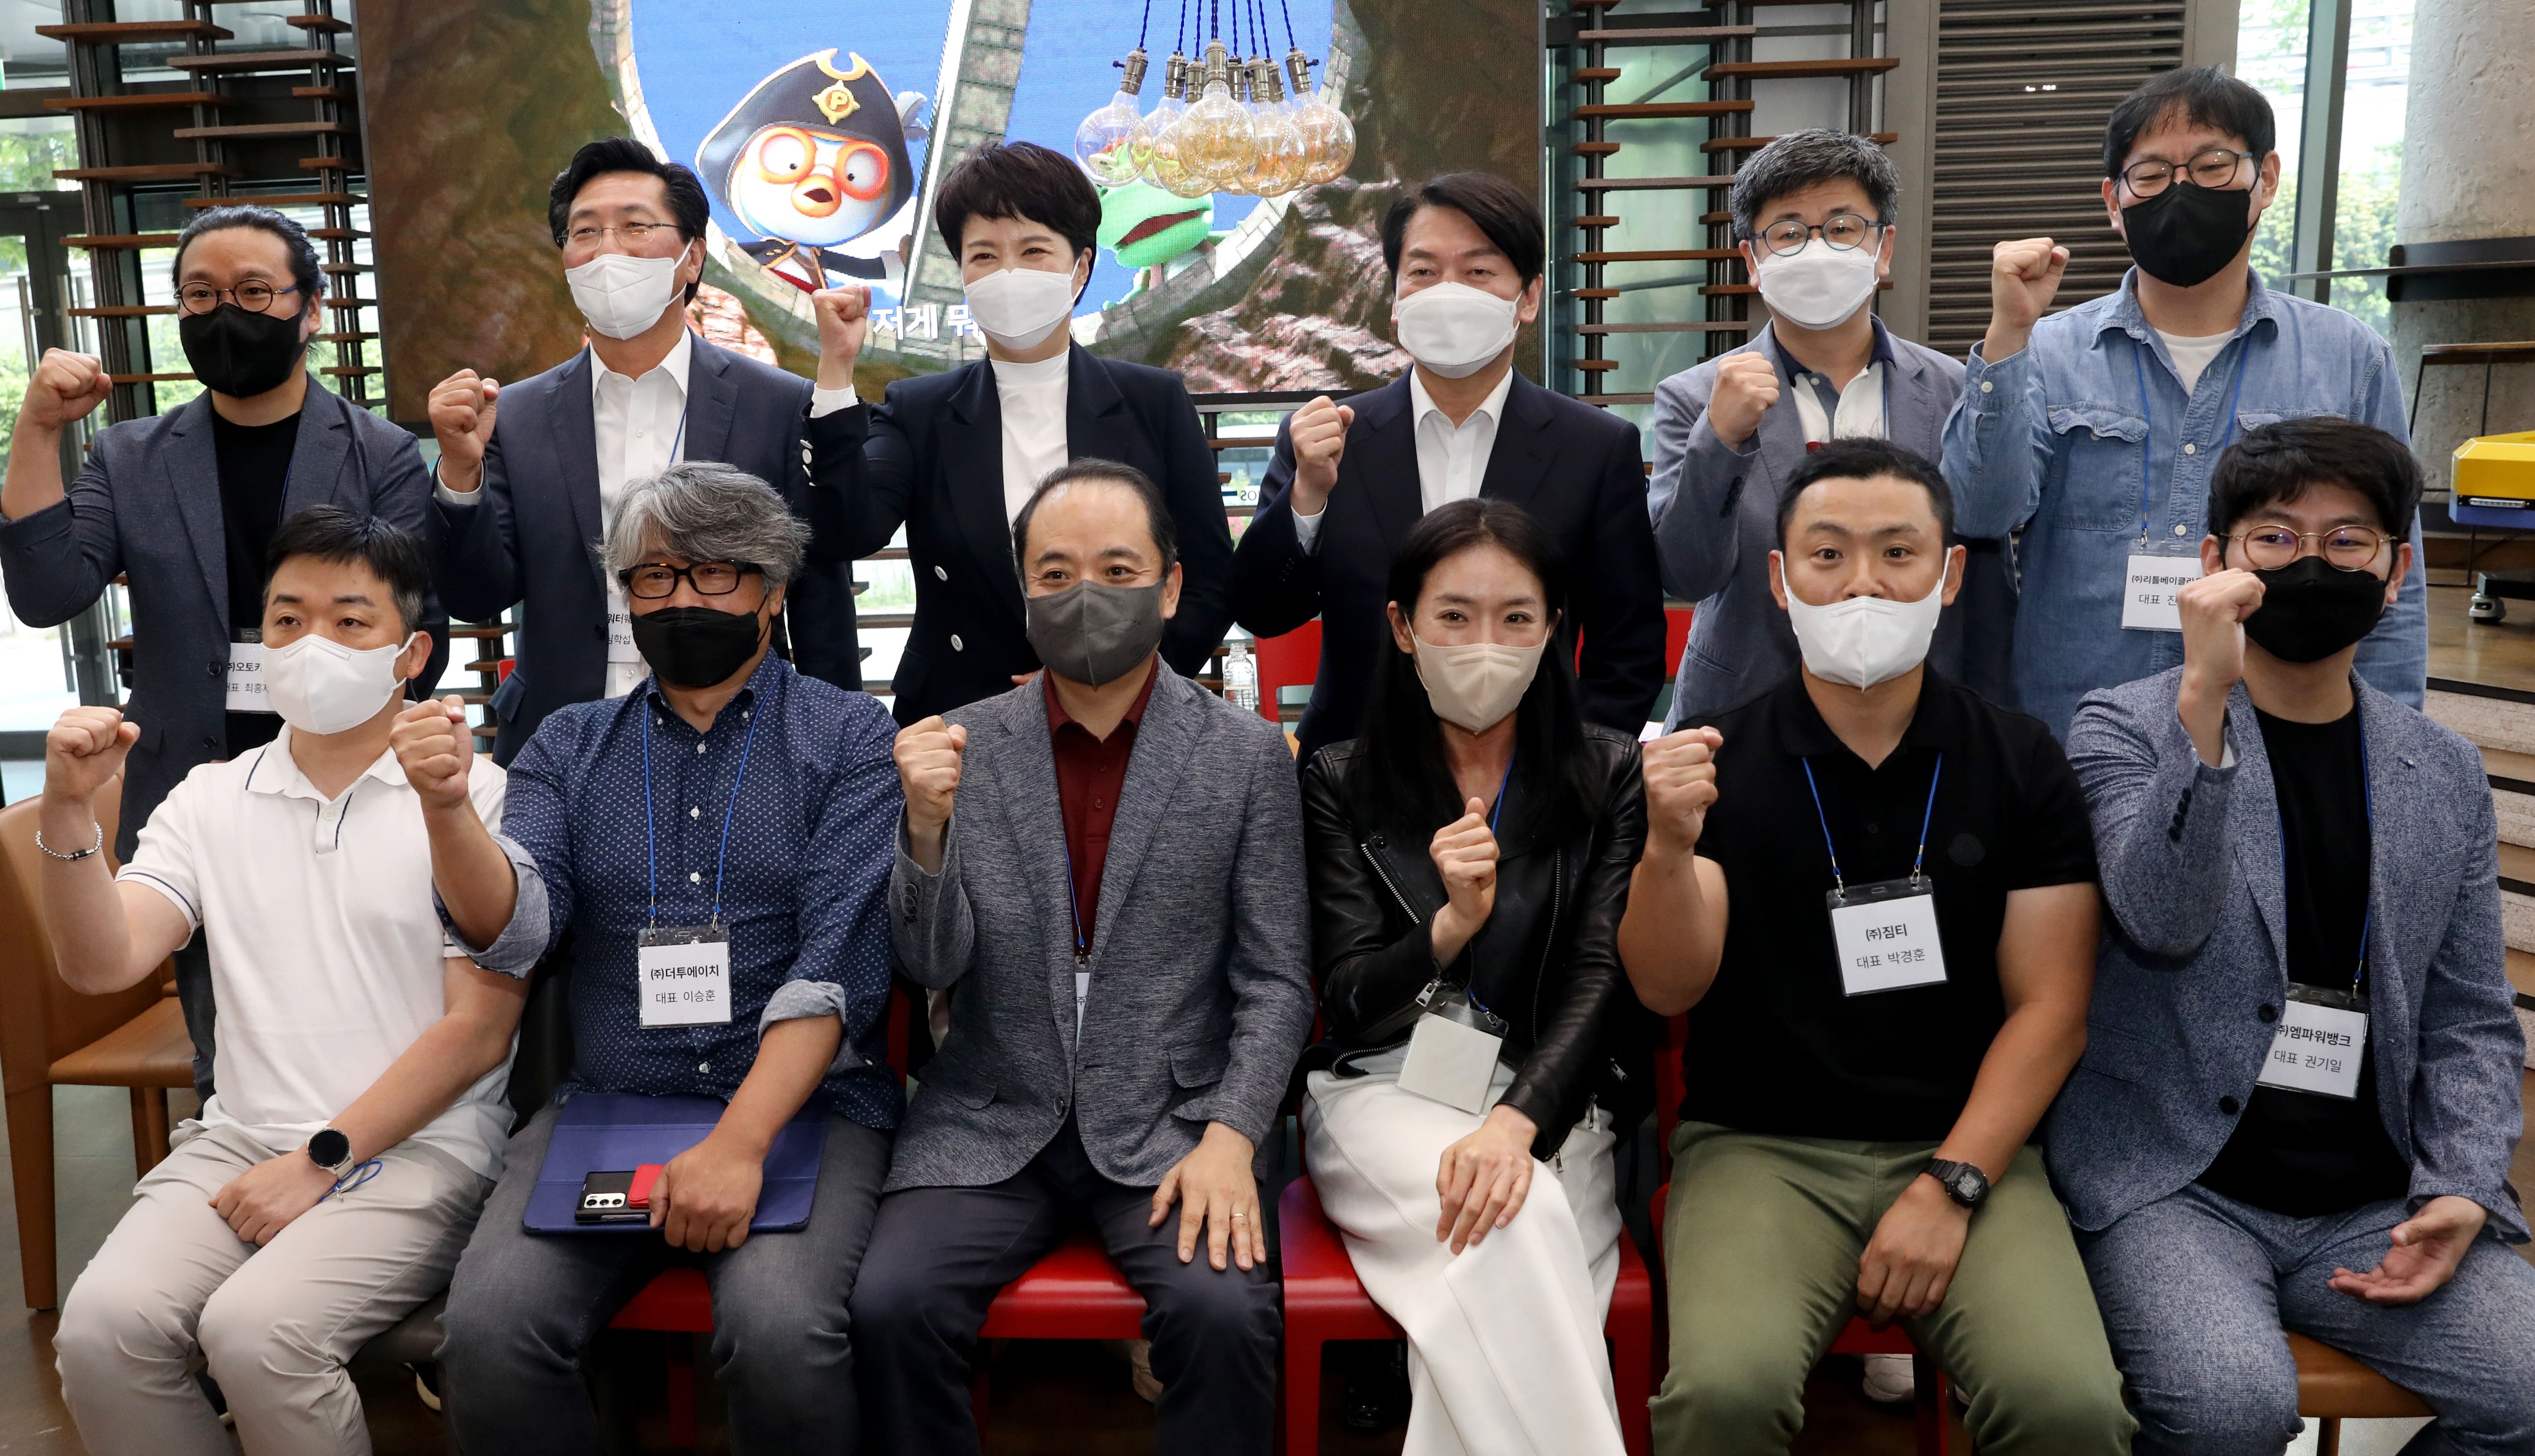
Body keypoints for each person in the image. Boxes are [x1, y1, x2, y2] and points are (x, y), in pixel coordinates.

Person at [1623, 439, 2132, 1455]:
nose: (1862, 583)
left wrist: (1954, 1183)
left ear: (1949, 576)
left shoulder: (2022, 758)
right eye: (1828, 556)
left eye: (1898, 554)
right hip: (1759, 1150)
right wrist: (1667, 851)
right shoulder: (1716, 757)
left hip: (1973, 1148)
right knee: (1723, 1395)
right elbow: (1667, 983)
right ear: (1779, 581)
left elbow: (2052, 1009)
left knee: (2068, 1405)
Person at [2050, 417, 2535, 1455]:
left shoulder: (2441, 769)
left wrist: (2459, 1186)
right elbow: (2162, 919)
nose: (2313, 562)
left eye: (2348, 539)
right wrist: (2202, 700)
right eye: (2275, 537)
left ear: (2396, 571)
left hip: (2374, 1195)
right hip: (2178, 1186)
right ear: (2215, 563)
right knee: (2231, 1409)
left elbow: (2471, 1021)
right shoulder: (2121, 726)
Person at [430, 463, 903, 1453]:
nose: (682, 598)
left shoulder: (850, 737)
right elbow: (517, 931)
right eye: (654, 577)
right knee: (488, 1332)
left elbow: (838, 968)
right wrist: (445, 814)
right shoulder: (566, 745)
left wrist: (736, 1145)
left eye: (714, 574)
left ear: (773, 597)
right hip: (614, 1101)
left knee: (781, 1333)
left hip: (802, 1111)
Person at [852, 460, 1312, 1454]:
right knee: (889, 1305)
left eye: (1117, 568)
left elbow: (1277, 980)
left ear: (1172, 586)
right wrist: (924, 834)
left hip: (1175, 1125)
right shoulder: (960, 746)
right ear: (1024, 594)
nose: (1086, 595)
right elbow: (926, 969)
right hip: (988, 1116)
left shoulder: (1244, 757)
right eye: (1055, 575)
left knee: (1227, 1318)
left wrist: (1234, 1136)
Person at [46, 509, 526, 1454]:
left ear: (412, 652)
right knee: (101, 1335)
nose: (312, 644)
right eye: (286, 620)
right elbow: (103, 962)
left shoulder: (476, 796)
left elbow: (479, 1031)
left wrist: (320, 1160)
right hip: (240, 1144)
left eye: (351, 622)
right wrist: (68, 808)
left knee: (257, 1334)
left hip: (419, 1153)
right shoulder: (210, 798)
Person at [0, 203, 442, 1100]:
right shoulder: (129, 458)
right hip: (191, 799)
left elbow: (412, 638)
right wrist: (38, 428)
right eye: (198, 295)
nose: (222, 315)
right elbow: (49, 591)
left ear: (310, 309)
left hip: (347, 788)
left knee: (382, 1039)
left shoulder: (381, 453)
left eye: (251, 292)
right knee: (231, 1065)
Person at [1298, 497, 1652, 1455]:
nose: (1484, 642)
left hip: (1550, 1095)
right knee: (1520, 1224)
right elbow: (1350, 1001)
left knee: (1495, 1269)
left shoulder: (1612, 773)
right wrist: (1449, 927)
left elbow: (1599, 977)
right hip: (1383, 1091)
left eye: (1516, 618)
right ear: (1404, 629)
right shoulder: (1340, 777)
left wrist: (1516, 1120)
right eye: (1454, 615)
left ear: (1554, 634)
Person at [1942, 66, 2423, 742]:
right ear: (2114, 200)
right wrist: (2007, 336)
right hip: (2076, 725)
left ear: (2267, 179)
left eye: (2212, 164)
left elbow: (2397, 576)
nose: (2182, 189)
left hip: (2272, 725)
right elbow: (1978, 513)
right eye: (2152, 174)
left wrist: (2393, 741)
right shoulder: (2044, 352)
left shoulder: (2349, 356)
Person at [426, 137, 865, 763]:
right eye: (585, 232)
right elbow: (476, 595)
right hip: (565, 740)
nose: (608, 250)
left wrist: (837, 741)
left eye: (635, 227)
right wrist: (460, 472)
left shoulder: (776, 402)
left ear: (692, 259)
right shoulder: (515, 415)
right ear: (566, 261)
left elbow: (816, 593)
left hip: (746, 740)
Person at [1229, 172, 1668, 762]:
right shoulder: (1330, 440)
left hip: (1535, 792)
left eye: (1478, 272)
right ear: (1395, 298)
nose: (1448, 291)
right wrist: (1308, 497)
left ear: (1529, 297)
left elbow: (1629, 650)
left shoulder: (1596, 448)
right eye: (1424, 272)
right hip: (1352, 786)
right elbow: (1263, 611)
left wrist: (1568, 774)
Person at [803, 140, 1236, 723]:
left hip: (1121, 722)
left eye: (1034, 250)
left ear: (1080, 268)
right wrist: (835, 368)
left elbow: (1208, 581)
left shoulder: (1152, 402)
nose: (1008, 274)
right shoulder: (919, 409)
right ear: (961, 273)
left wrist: (1118, 682)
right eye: (984, 256)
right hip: (959, 726)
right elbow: (846, 528)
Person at [1649, 130, 2015, 730]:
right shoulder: (1696, 398)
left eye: (1842, 228)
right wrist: (1719, 441)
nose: (1817, 248)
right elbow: (1685, 572)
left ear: (1884, 247)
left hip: (1921, 720)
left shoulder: (1955, 391)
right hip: (1743, 720)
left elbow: (1987, 549)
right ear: (1751, 260)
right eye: (1789, 232)